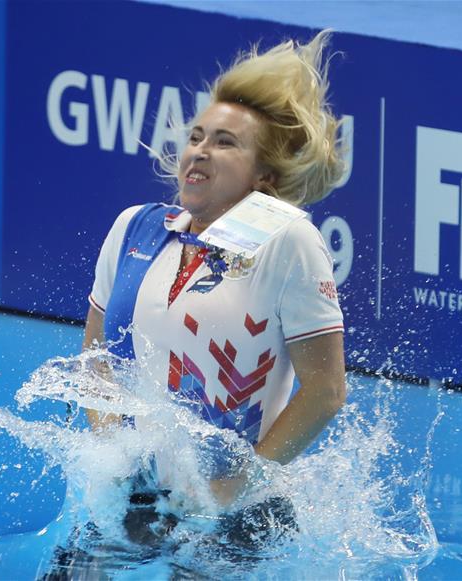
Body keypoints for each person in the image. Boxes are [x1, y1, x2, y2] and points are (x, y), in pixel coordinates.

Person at [81, 29, 346, 535]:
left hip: (239, 517)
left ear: (263, 175)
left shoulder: (288, 242)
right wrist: (115, 459)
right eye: (196, 137)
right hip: (134, 503)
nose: (199, 151)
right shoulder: (135, 227)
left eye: (225, 143)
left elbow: (326, 391)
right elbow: (94, 357)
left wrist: (228, 495)